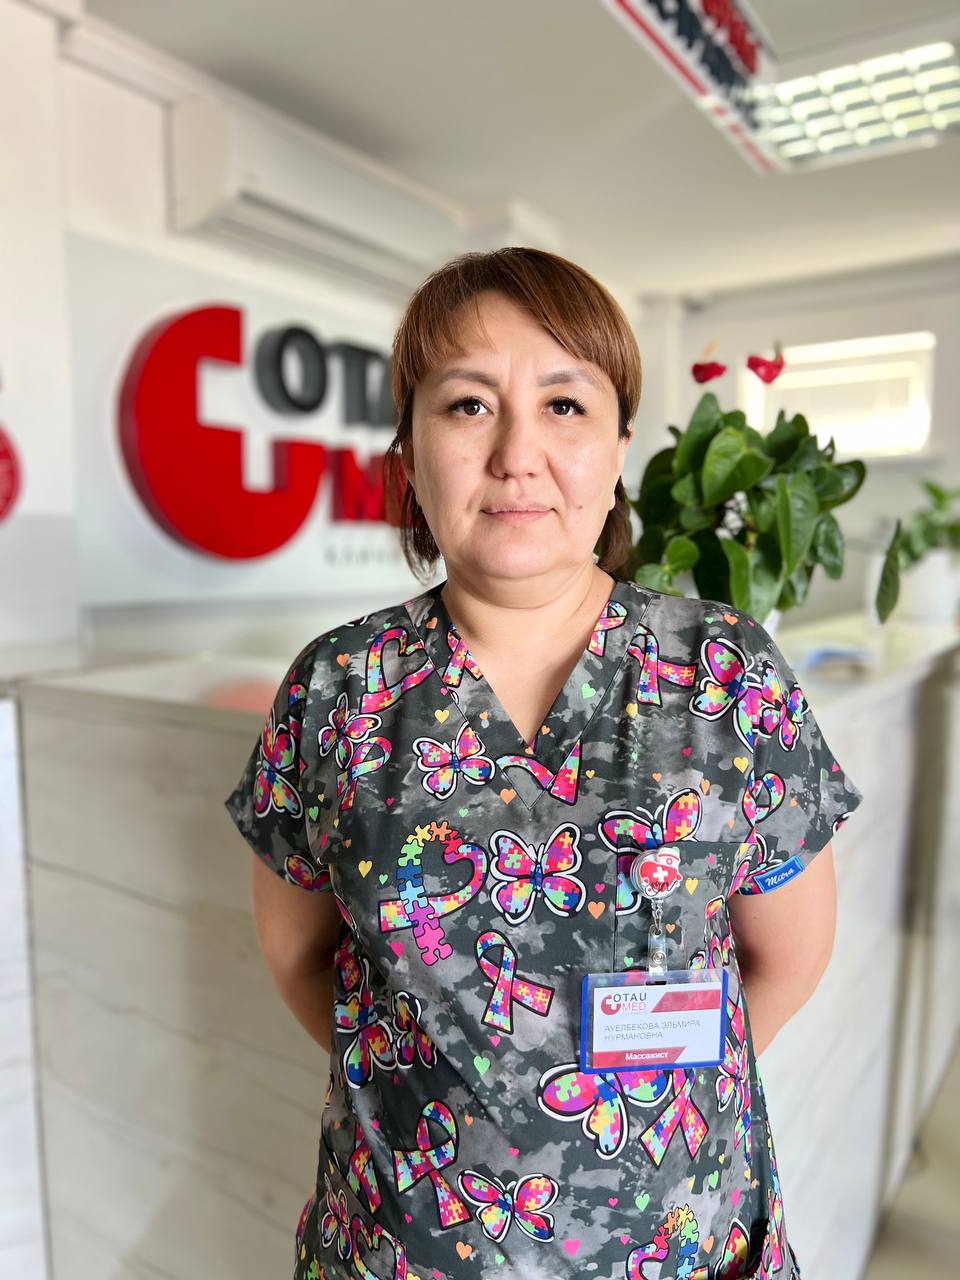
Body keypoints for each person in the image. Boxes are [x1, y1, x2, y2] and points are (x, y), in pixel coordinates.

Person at [224, 248, 864, 1280]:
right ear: (410, 453)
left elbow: (786, 959)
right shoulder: (337, 689)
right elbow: (301, 959)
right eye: (469, 405)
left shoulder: (725, 674)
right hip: (401, 1249)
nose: (517, 453)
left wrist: (640, 1106)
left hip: (679, 1245)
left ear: (617, 449)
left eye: (564, 405)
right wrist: (448, 1100)